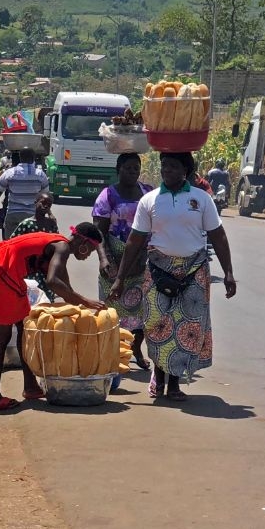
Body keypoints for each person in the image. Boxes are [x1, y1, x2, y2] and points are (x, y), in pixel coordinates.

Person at [107, 152, 237, 402]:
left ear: (185, 171)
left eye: (173, 166)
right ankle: (158, 373)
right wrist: (120, 277)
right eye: (164, 166)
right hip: (158, 269)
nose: (166, 170)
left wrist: (229, 272)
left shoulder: (201, 199)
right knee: (156, 325)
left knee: (185, 327)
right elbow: (135, 240)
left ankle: (174, 383)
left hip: (194, 271)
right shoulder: (150, 200)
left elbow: (218, 235)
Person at [0, 225, 106, 412]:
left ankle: (30, 386)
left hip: (6, 272)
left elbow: (66, 289)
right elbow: (53, 281)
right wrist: (87, 301)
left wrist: (78, 308)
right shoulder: (62, 248)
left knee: (25, 329)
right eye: (91, 250)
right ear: (83, 243)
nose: (89, 255)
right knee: (2, 335)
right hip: (0, 271)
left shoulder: (61, 246)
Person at [92, 153, 154, 375]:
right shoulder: (107, 195)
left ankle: (135, 351)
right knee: (111, 313)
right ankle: (112, 356)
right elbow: (98, 231)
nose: (132, 172)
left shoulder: (148, 193)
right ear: (118, 170)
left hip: (142, 261)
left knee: (142, 314)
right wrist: (104, 258)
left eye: (136, 168)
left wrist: (145, 256)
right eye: (128, 168)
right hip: (114, 261)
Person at [0, 150, 49, 239]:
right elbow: (46, 198)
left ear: (20, 158)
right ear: (33, 158)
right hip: (32, 217)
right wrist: (48, 214)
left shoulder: (10, 173)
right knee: (30, 247)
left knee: (10, 246)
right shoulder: (40, 175)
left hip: (13, 215)